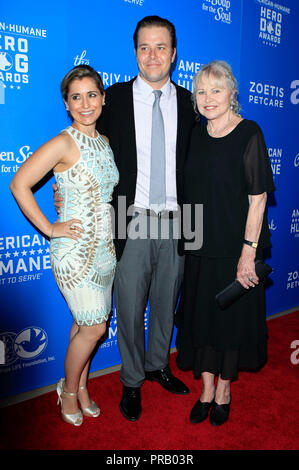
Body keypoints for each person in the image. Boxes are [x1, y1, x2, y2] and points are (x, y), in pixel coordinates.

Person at [54, 16, 195, 421]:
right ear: (135, 53)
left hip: (179, 219)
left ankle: (158, 366)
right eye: (144, 47)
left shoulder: (189, 102)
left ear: (173, 53)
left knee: (166, 303)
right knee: (130, 308)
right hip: (130, 219)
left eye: (161, 47)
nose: (153, 55)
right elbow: (85, 149)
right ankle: (131, 381)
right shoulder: (111, 98)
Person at [10, 65, 119, 426]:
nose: (85, 103)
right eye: (76, 97)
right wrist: (50, 228)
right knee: (94, 328)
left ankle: (82, 387)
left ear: (103, 98)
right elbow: (19, 183)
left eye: (92, 94)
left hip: (105, 250)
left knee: (83, 324)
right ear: (67, 104)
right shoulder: (63, 141)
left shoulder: (103, 142)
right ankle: (68, 391)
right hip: (73, 252)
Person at [175, 60, 275, 426]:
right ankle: (205, 388)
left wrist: (248, 253)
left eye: (217, 90)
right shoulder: (194, 134)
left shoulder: (249, 132)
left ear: (233, 93)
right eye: (201, 91)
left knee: (229, 322)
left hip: (236, 247)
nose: (208, 98)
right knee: (201, 320)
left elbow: (258, 198)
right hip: (199, 244)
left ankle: (224, 390)